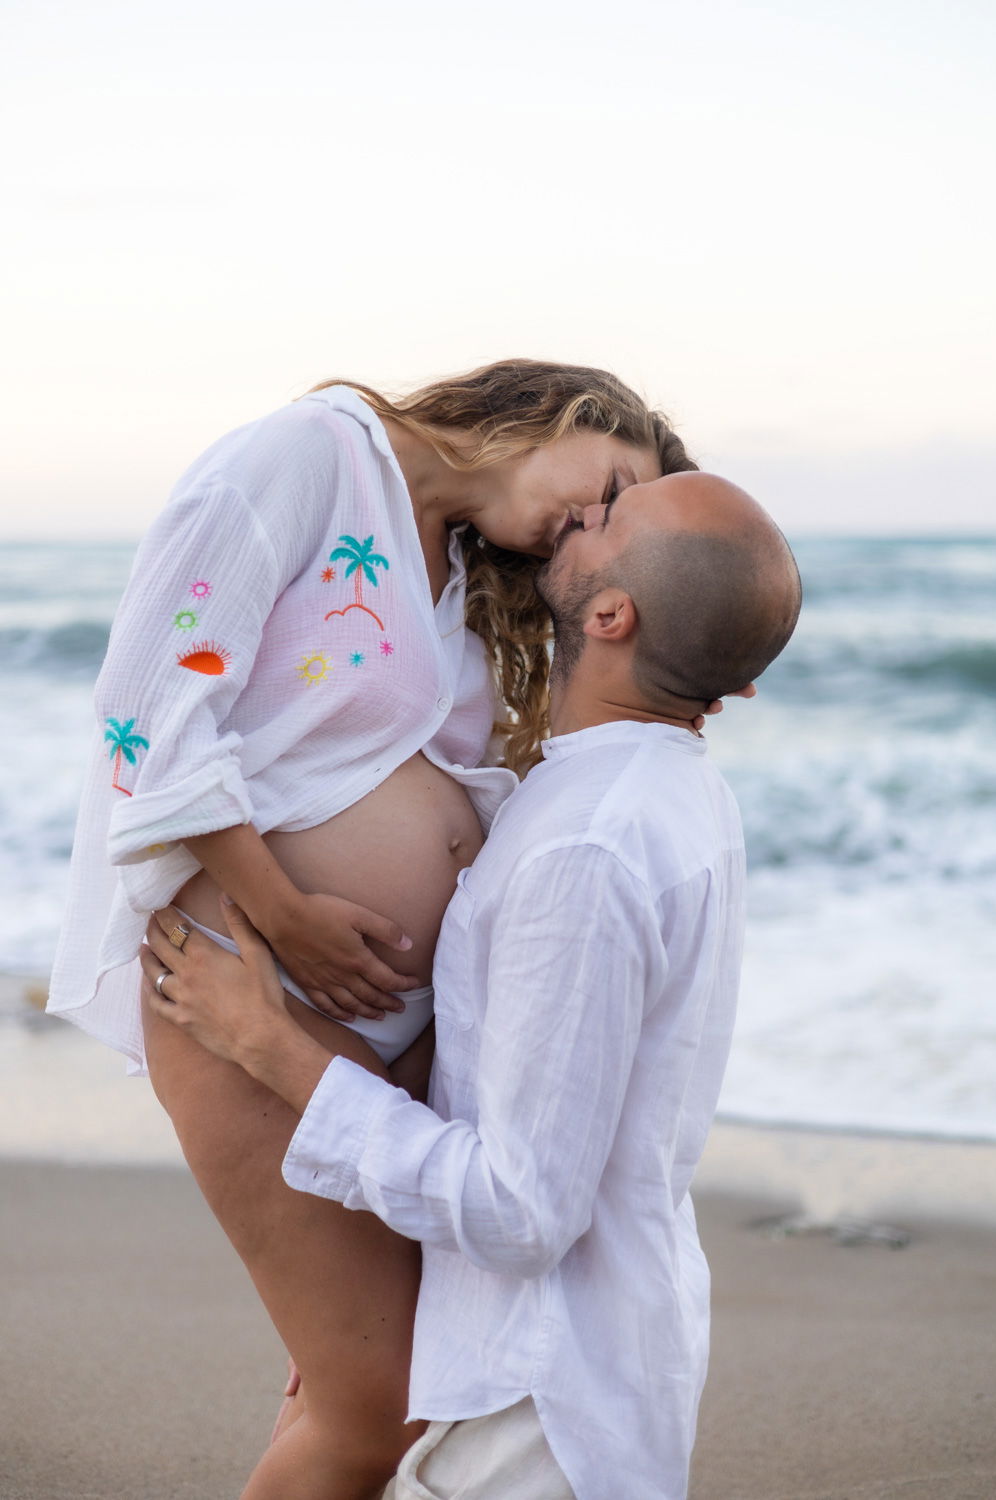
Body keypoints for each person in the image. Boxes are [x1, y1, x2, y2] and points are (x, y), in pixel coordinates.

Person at [48, 361, 697, 1499]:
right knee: (374, 1412)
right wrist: (283, 911)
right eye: (606, 487)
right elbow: (150, 703)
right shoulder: (309, 459)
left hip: (389, 1031)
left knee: (384, 1388)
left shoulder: (454, 566)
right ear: (569, 412)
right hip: (259, 987)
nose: (582, 528)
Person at [142, 470, 802, 1500]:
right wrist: (354, 1302)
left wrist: (269, 1044)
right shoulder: (655, 792)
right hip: (537, 1370)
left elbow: (518, 1211)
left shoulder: (587, 845)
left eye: (610, 519)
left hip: (530, 1423)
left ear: (612, 614)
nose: (584, 511)